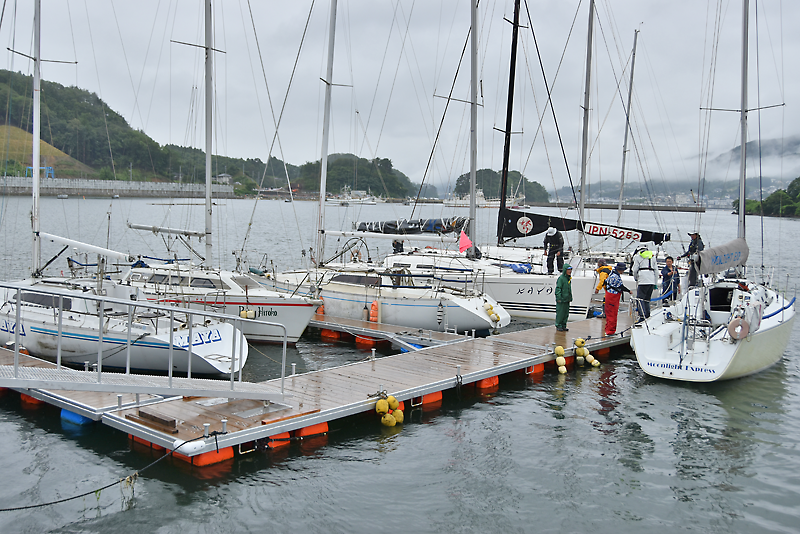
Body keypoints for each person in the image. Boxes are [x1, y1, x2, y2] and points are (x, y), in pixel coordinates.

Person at [604, 262, 631, 336]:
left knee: (609, 313)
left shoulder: (612, 274)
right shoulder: (615, 277)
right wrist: (629, 291)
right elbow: (621, 286)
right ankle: (610, 331)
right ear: (620, 270)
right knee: (612, 314)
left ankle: (608, 329)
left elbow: (605, 282)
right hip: (613, 297)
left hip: (609, 295)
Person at [632, 246, 657, 321]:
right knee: (647, 299)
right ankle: (647, 314)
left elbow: (635, 269)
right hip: (651, 279)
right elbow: (656, 271)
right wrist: (655, 282)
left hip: (643, 279)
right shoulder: (652, 256)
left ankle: (642, 316)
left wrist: (636, 278)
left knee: (640, 299)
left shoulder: (637, 256)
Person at [555, 264, 573, 331]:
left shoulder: (568, 278)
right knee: (560, 313)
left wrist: (570, 297)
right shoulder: (561, 278)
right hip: (561, 299)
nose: (570, 271)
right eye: (568, 270)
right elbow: (558, 288)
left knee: (566, 313)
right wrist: (558, 297)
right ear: (565, 270)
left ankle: (563, 325)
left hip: (566, 299)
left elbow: (569, 289)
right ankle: (558, 325)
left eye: (570, 269)